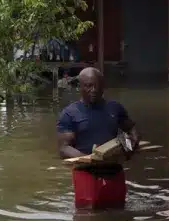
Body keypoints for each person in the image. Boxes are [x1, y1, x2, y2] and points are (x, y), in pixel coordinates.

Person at [57, 67, 139, 211]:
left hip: (114, 170)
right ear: (80, 87)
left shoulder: (115, 108)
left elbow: (130, 129)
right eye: (88, 86)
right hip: (87, 174)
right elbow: (64, 148)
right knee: (87, 220)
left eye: (97, 85)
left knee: (119, 215)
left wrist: (132, 143)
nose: (94, 90)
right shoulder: (70, 113)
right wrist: (89, 158)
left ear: (103, 86)